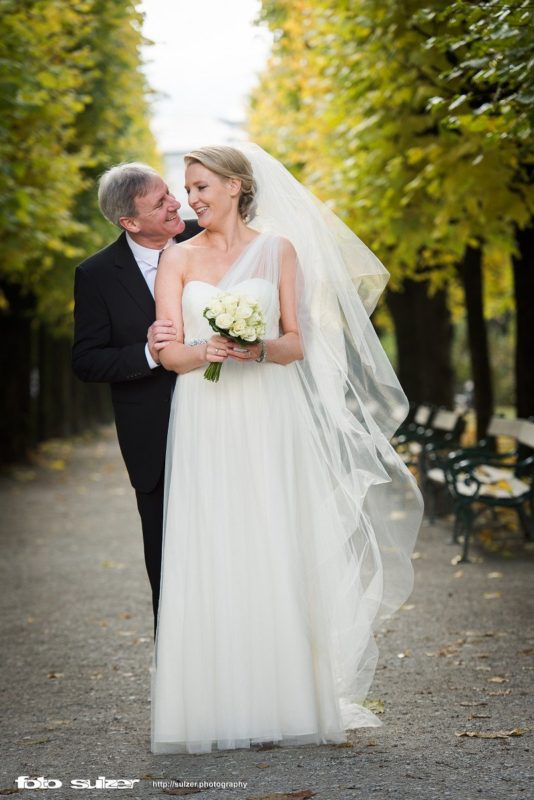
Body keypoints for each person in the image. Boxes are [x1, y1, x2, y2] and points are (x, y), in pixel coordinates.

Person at [151, 144, 423, 754]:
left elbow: (295, 342)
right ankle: (212, 705)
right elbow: (169, 351)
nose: (190, 198)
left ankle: (285, 700)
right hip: (205, 412)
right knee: (212, 540)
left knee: (270, 536)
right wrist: (207, 352)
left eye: (200, 187)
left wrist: (256, 348)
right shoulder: (176, 258)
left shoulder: (279, 251)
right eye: (187, 189)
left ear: (236, 186)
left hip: (267, 413)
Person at [72, 163, 200, 628]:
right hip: (153, 435)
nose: (176, 204)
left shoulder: (207, 240)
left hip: (226, 416)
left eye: (171, 192)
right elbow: (87, 361)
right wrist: (146, 352)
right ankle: (178, 674)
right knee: (166, 556)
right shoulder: (97, 275)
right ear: (129, 222)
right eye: (160, 201)